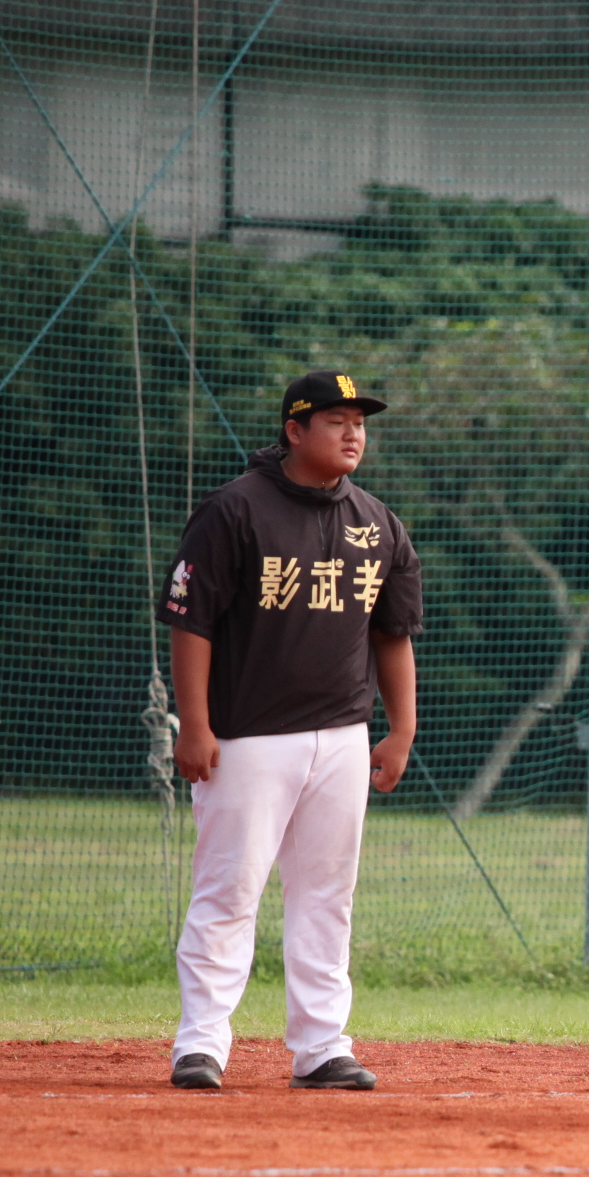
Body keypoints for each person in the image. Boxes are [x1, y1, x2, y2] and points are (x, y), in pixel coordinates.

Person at [158, 370, 422, 1093]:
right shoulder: (234, 510)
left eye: (359, 422)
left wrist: (400, 730)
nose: (353, 433)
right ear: (294, 430)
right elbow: (190, 621)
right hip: (247, 737)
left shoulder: (377, 523)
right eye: (335, 420)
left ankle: (322, 1047)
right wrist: (195, 723)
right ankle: (201, 1045)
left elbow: (393, 634)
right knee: (229, 892)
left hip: (341, 738)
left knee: (327, 896)